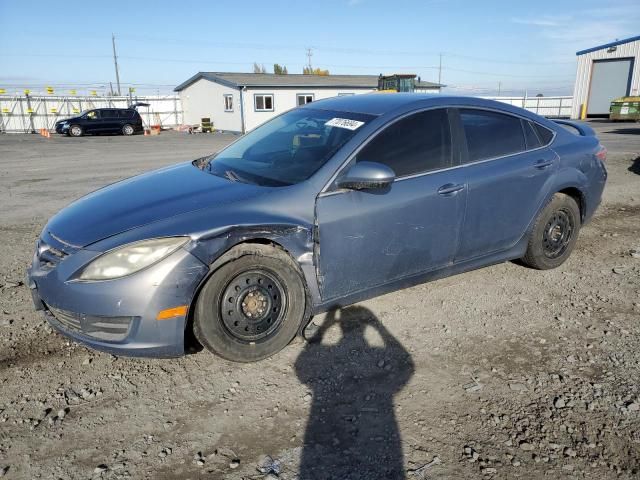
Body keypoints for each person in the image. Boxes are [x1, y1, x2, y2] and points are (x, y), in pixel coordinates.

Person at [295, 306, 415, 479]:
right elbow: (407, 367)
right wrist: (379, 327)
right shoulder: (374, 355)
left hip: (326, 439)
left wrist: (324, 327)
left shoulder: (328, 356)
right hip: (378, 434)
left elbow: (301, 366)